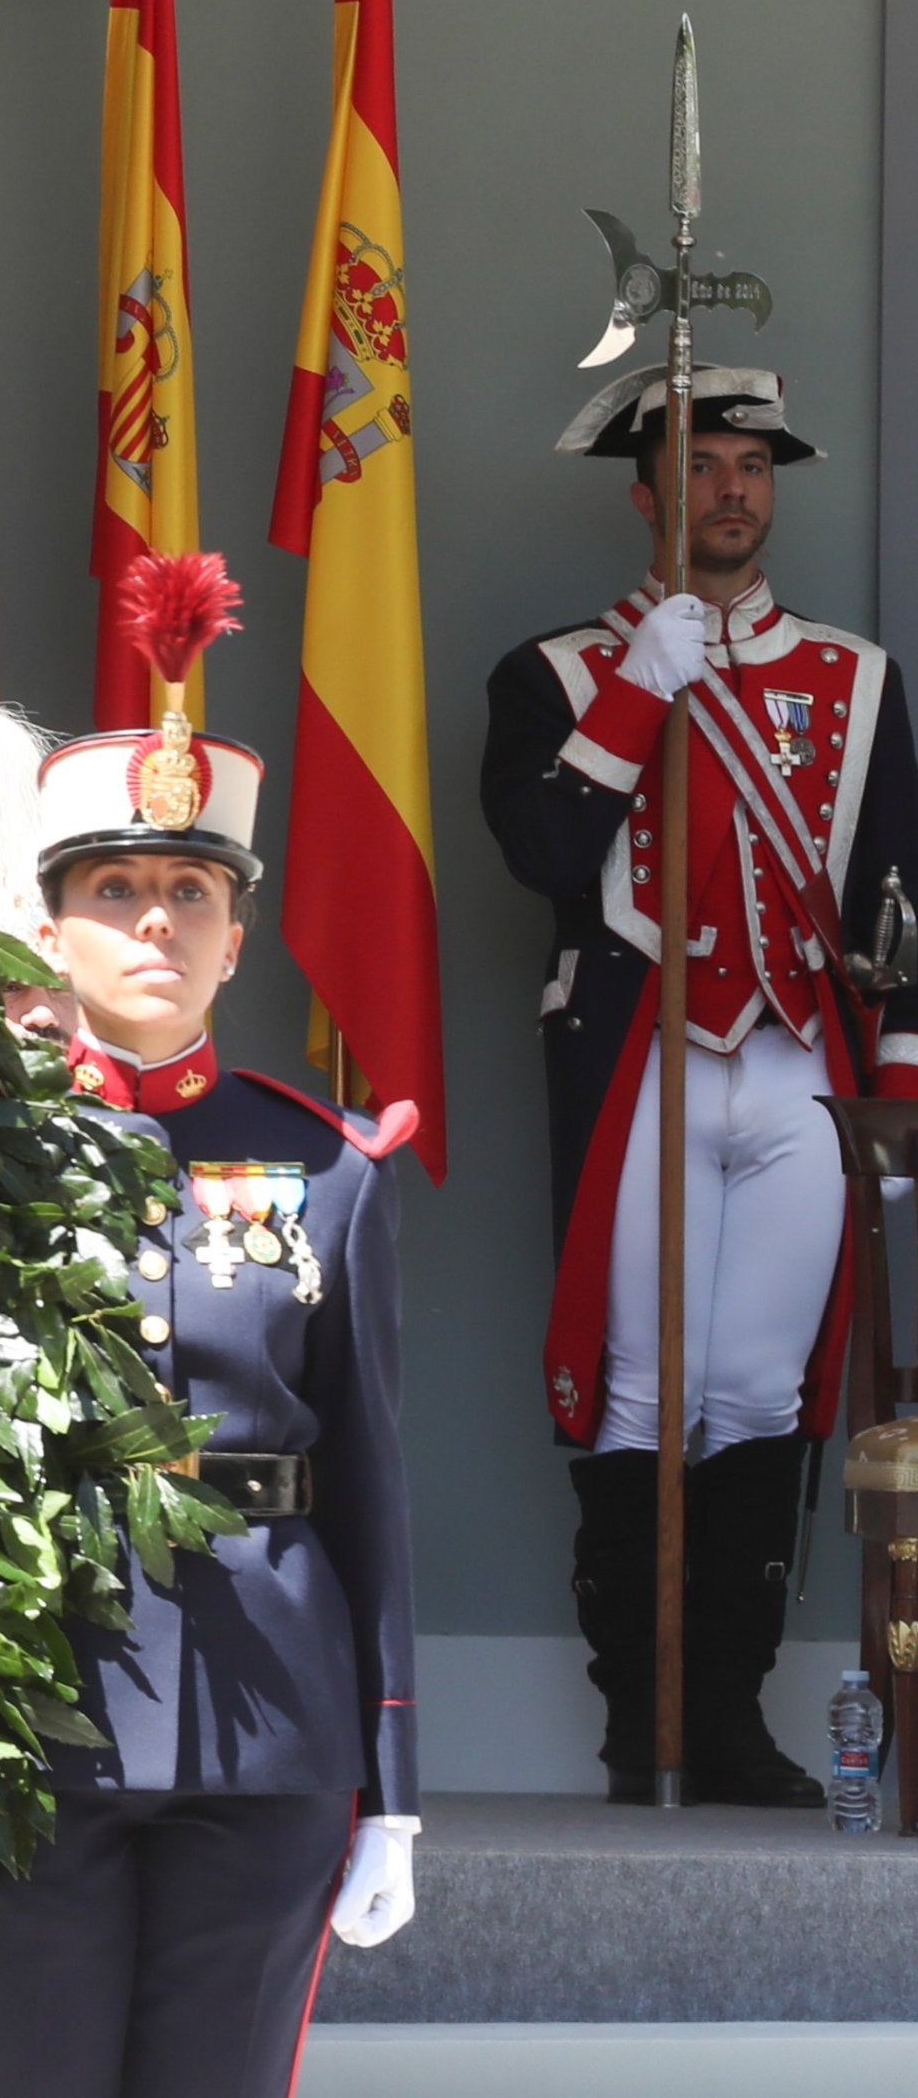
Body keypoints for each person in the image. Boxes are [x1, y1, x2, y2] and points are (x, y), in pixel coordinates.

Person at [0, 569, 417, 2098]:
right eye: (117, 890)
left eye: (192, 893)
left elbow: (371, 1490)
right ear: (48, 921)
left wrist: (393, 1783)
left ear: (237, 934)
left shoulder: (331, 1167)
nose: (157, 921)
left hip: (266, 1728)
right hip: (15, 1717)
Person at [479, 366, 918, 1805]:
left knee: (758, 1387)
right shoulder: (551, 672)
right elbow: (545, 854)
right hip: (643, 1063)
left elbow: (895, 895)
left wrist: (901, 1079)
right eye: (703, 464)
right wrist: (636, 688)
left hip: (799, 1061)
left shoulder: (855, 678)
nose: (731, 487)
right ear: (647, 494)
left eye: (751, 465)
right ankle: (640, 1721)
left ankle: (725, 1714)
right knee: (631, 1389)